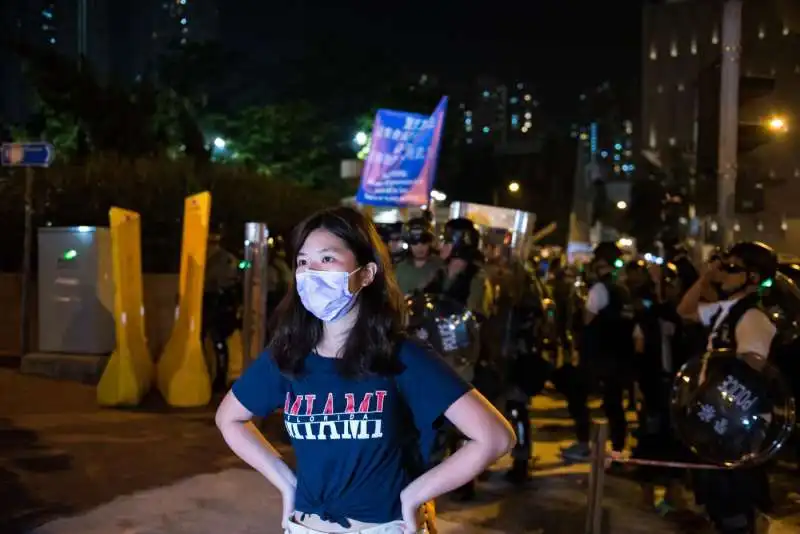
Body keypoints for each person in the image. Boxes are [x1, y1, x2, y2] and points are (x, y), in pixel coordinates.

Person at [215, 206, 515, 534]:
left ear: (366, 273)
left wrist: (416, 495)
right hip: (307, 527)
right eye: (302, 262)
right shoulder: (288, 355)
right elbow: (229, 418)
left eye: (327, 259)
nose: (311, 272)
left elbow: (494, 438)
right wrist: (287, 484)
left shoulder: (401, 355)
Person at [677, 241, 777, 534]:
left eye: (732, 268)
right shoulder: (728, 309)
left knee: (731, 500)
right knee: (715, 497)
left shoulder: (752, 317)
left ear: (754, 277)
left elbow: (751, 369)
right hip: (719, 418)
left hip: (735, 425)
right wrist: (707, 275)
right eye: (724, 265)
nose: (724, 273)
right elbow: (685, 311)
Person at [560, 242, 635, 462]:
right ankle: (618, 448)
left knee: (575, 393)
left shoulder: (600, 288)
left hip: (597, 356)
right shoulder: (623, 289)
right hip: (619, 356)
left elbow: (588, 319)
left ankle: (584, 443)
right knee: (613, 404)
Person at [394, 217, 442, 295]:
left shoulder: (440, 266)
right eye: (414, 241)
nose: (419, 246)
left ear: (430, 242)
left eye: (424, 240)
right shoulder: (399, 268)